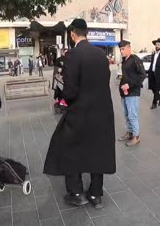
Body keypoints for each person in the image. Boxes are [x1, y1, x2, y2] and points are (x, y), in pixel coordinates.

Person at [43, 19, 115, 210]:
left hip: (80, 113)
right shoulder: (100, 54)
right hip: (102, 112)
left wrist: (62, 90)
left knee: (69, 149)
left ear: (73, 34)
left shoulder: (73, 55)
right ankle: (96, 193)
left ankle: (76, 192)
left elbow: (70, 92)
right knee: (97, 151)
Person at [117, 40, 146, 146]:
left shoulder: (135, 59)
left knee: (132, 115)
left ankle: (136, 136)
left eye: (123, 49)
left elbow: (142, 75)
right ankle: (129, 133)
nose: (121, 51)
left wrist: (129, 85)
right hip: (124, 92)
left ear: (129, 48)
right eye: (120, 49)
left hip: (133, 92)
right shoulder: (124, 60)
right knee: (126, 114)